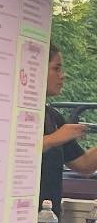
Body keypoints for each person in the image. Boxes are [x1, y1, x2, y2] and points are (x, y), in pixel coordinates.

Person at [41, 43, 97, 213]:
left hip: (49, 222)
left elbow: (85, 165)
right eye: (56, 68)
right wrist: (53, 139)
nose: (62, 75)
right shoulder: (7, 113)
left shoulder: (53, 117)